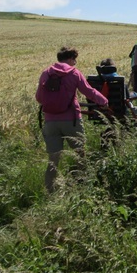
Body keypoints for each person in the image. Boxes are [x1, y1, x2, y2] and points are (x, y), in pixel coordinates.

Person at [36, 46, 109, 193]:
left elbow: (39, 98)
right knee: (80, 154)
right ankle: (82, 187)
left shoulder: (46, 73)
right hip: (72, 120)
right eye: (74, 59)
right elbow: (89, 91)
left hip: (50, 122)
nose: (75, 62)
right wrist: (104, 101)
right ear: (69, 58)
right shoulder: (74, 73)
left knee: (53, 159)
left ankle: (50, 191)